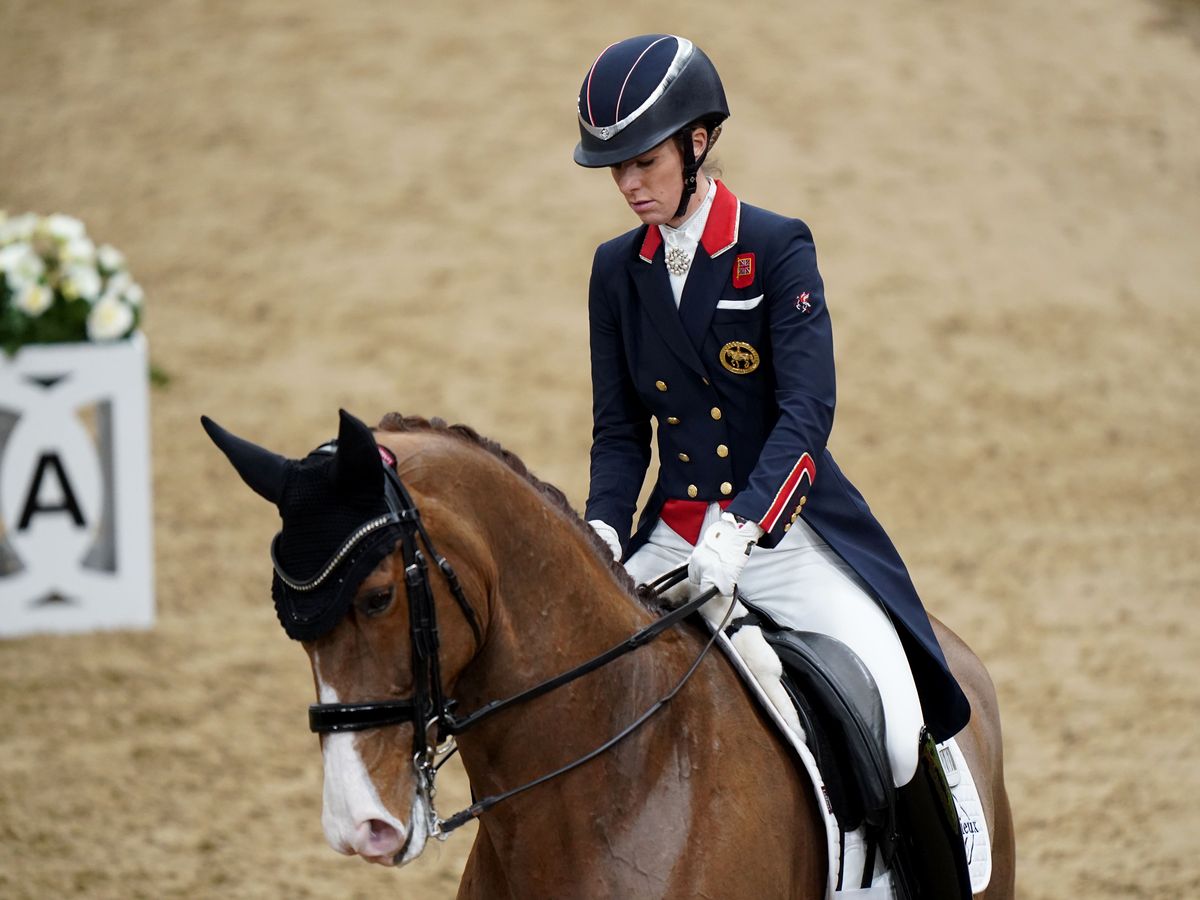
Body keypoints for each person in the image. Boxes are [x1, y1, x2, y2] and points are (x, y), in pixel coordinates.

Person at [575, 33, 971, 819]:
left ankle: (941, 849)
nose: (629, 185)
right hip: (674, 535)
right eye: (615, 169)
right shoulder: (615, 270)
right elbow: (620, 432)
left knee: (898, 728)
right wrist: (604, 531)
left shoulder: (774, 246)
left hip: (778, 536)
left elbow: (806, 412)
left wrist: (743, 527)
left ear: (696, 143)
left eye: (644, 162)